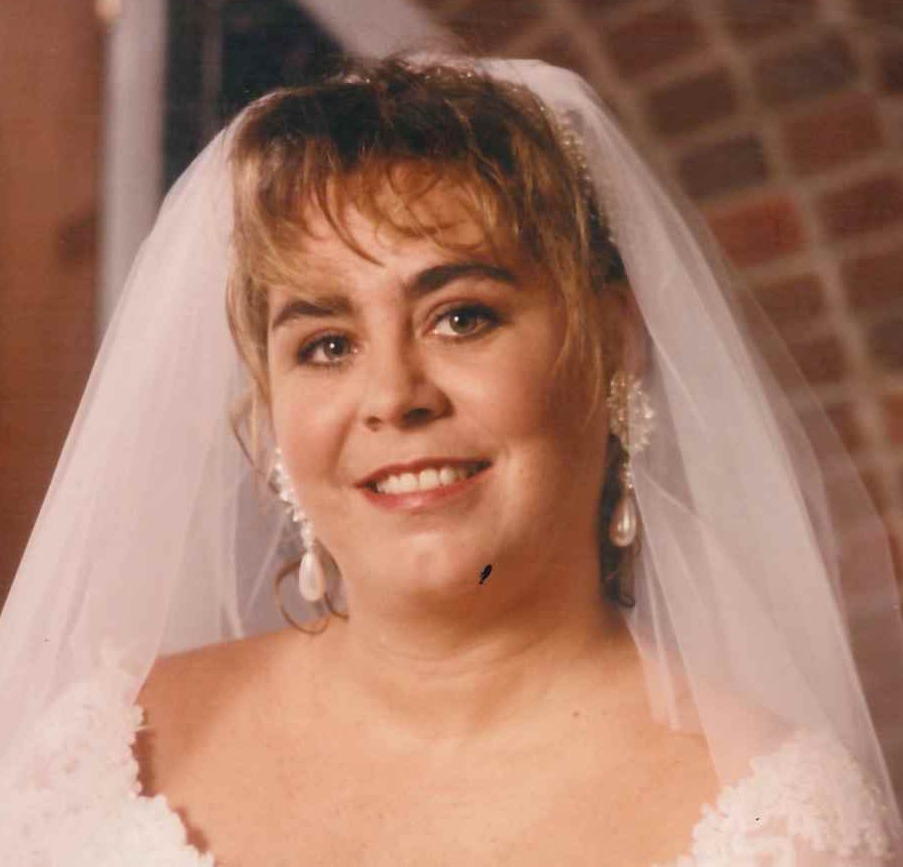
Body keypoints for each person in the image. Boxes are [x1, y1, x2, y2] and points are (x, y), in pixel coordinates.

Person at [1, 56, 902, 866]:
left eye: (461, 317)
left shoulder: (778, 826)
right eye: (325, 343)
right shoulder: (104, 753)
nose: (393, 395)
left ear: (613, 339)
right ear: (269, 403)